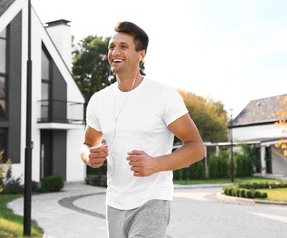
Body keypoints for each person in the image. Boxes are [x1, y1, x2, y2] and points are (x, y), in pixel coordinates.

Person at [79, 21, 205, 238]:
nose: (114, 52)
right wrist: (88, 156)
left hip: (152, 199)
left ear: (141, 55)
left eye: (123, 47)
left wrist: (156, 164)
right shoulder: (99, 101)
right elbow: (88, 143)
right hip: (115, 202)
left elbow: (196, 148)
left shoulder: (163, 95)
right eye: (111, 47)